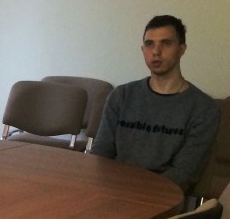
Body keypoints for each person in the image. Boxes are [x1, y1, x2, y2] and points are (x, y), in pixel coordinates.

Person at [90, 15, 219, 193]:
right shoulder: (121, 96)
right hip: (112, 190)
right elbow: (101, 152)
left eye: (166, 43)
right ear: (143, 50)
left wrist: (135, 193)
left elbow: (184, 173)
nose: (156, 52)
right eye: (149, 44)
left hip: (163, 196)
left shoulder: (204, 109)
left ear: (182, 49)